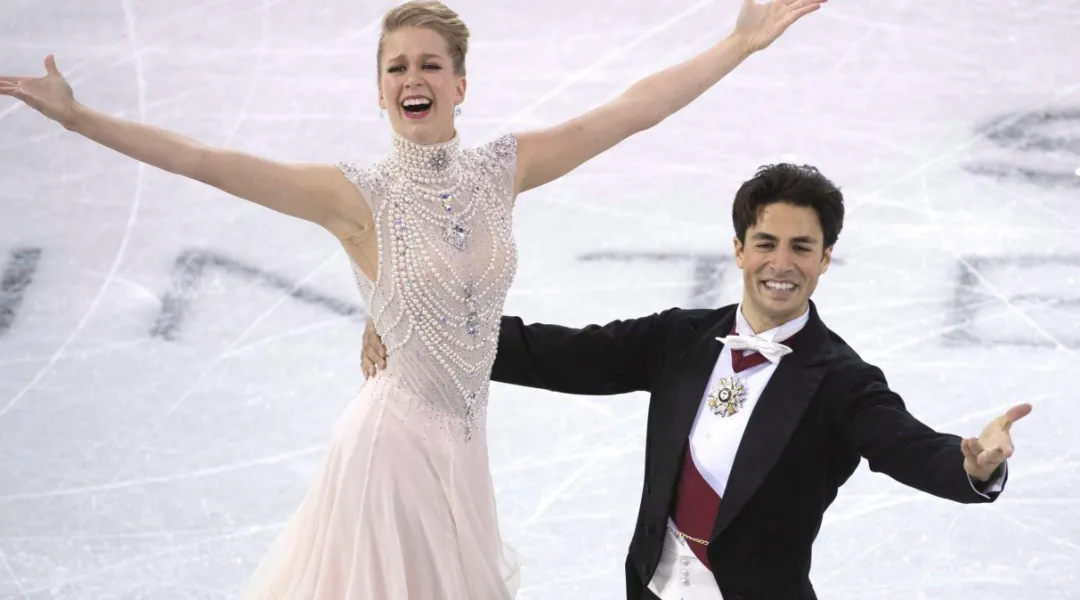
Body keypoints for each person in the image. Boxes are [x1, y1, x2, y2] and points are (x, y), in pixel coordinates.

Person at [1, 0, 828, 596]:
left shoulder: (501, 171)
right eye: (397, 66)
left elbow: (629, 112)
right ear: (380, 91)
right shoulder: (353, 196)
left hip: (464, 449)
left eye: (431, 64)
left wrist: (739, 42)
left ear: (460, 85)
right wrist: (80, 120)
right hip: (392, 449)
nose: (414, 77)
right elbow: (203, 159)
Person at [361, 162, 1031, 600]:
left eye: (802, 247)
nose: (781, 263)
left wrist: (971, 465)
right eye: (766, 242)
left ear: (827, 259)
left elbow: (906, 446)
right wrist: (426, 327)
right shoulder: (679, 339)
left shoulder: (841, 382)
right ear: (739, 248)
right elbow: (560, 354)